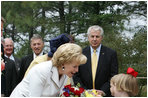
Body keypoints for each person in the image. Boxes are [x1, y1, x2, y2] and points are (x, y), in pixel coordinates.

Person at [10, 43, 87, 97]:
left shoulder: (65, 73)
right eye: (74, 66)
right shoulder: (41, 70)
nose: (77, 70)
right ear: (63, 63)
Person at [73, 25, 118, 96]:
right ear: (88, 37)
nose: (94, 39)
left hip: (104, 94)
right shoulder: (80, 53)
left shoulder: (111, 54)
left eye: (97, 36)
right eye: (92, 36)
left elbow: (114, 76)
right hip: (84, 94)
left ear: (102, 38)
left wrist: (103, 91)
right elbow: (76, 76)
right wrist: (84, 91)